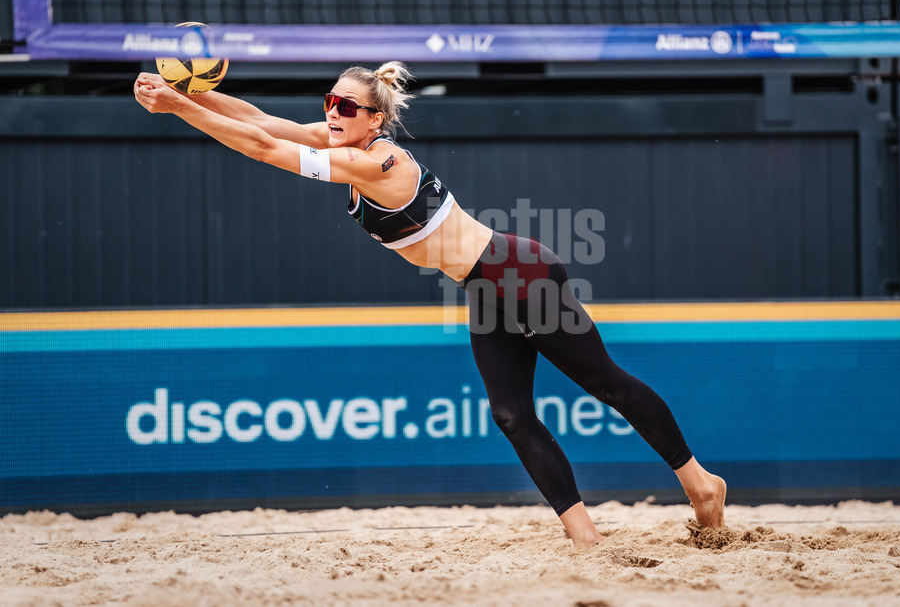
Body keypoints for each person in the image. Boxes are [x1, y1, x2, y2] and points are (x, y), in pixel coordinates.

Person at [133, 62, 726, 549]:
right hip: (485, 288)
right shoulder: (343, 143)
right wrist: (192, 92)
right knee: (511, 414)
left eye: (347, 107)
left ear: (375, 119)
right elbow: (261, 121)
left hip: (518, 273)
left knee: (607, 384)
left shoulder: (380, 162)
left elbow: (262, 148)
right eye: (330, 101)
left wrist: (177, 108)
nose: (332, 114)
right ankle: (586, 540)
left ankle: (701, 484)